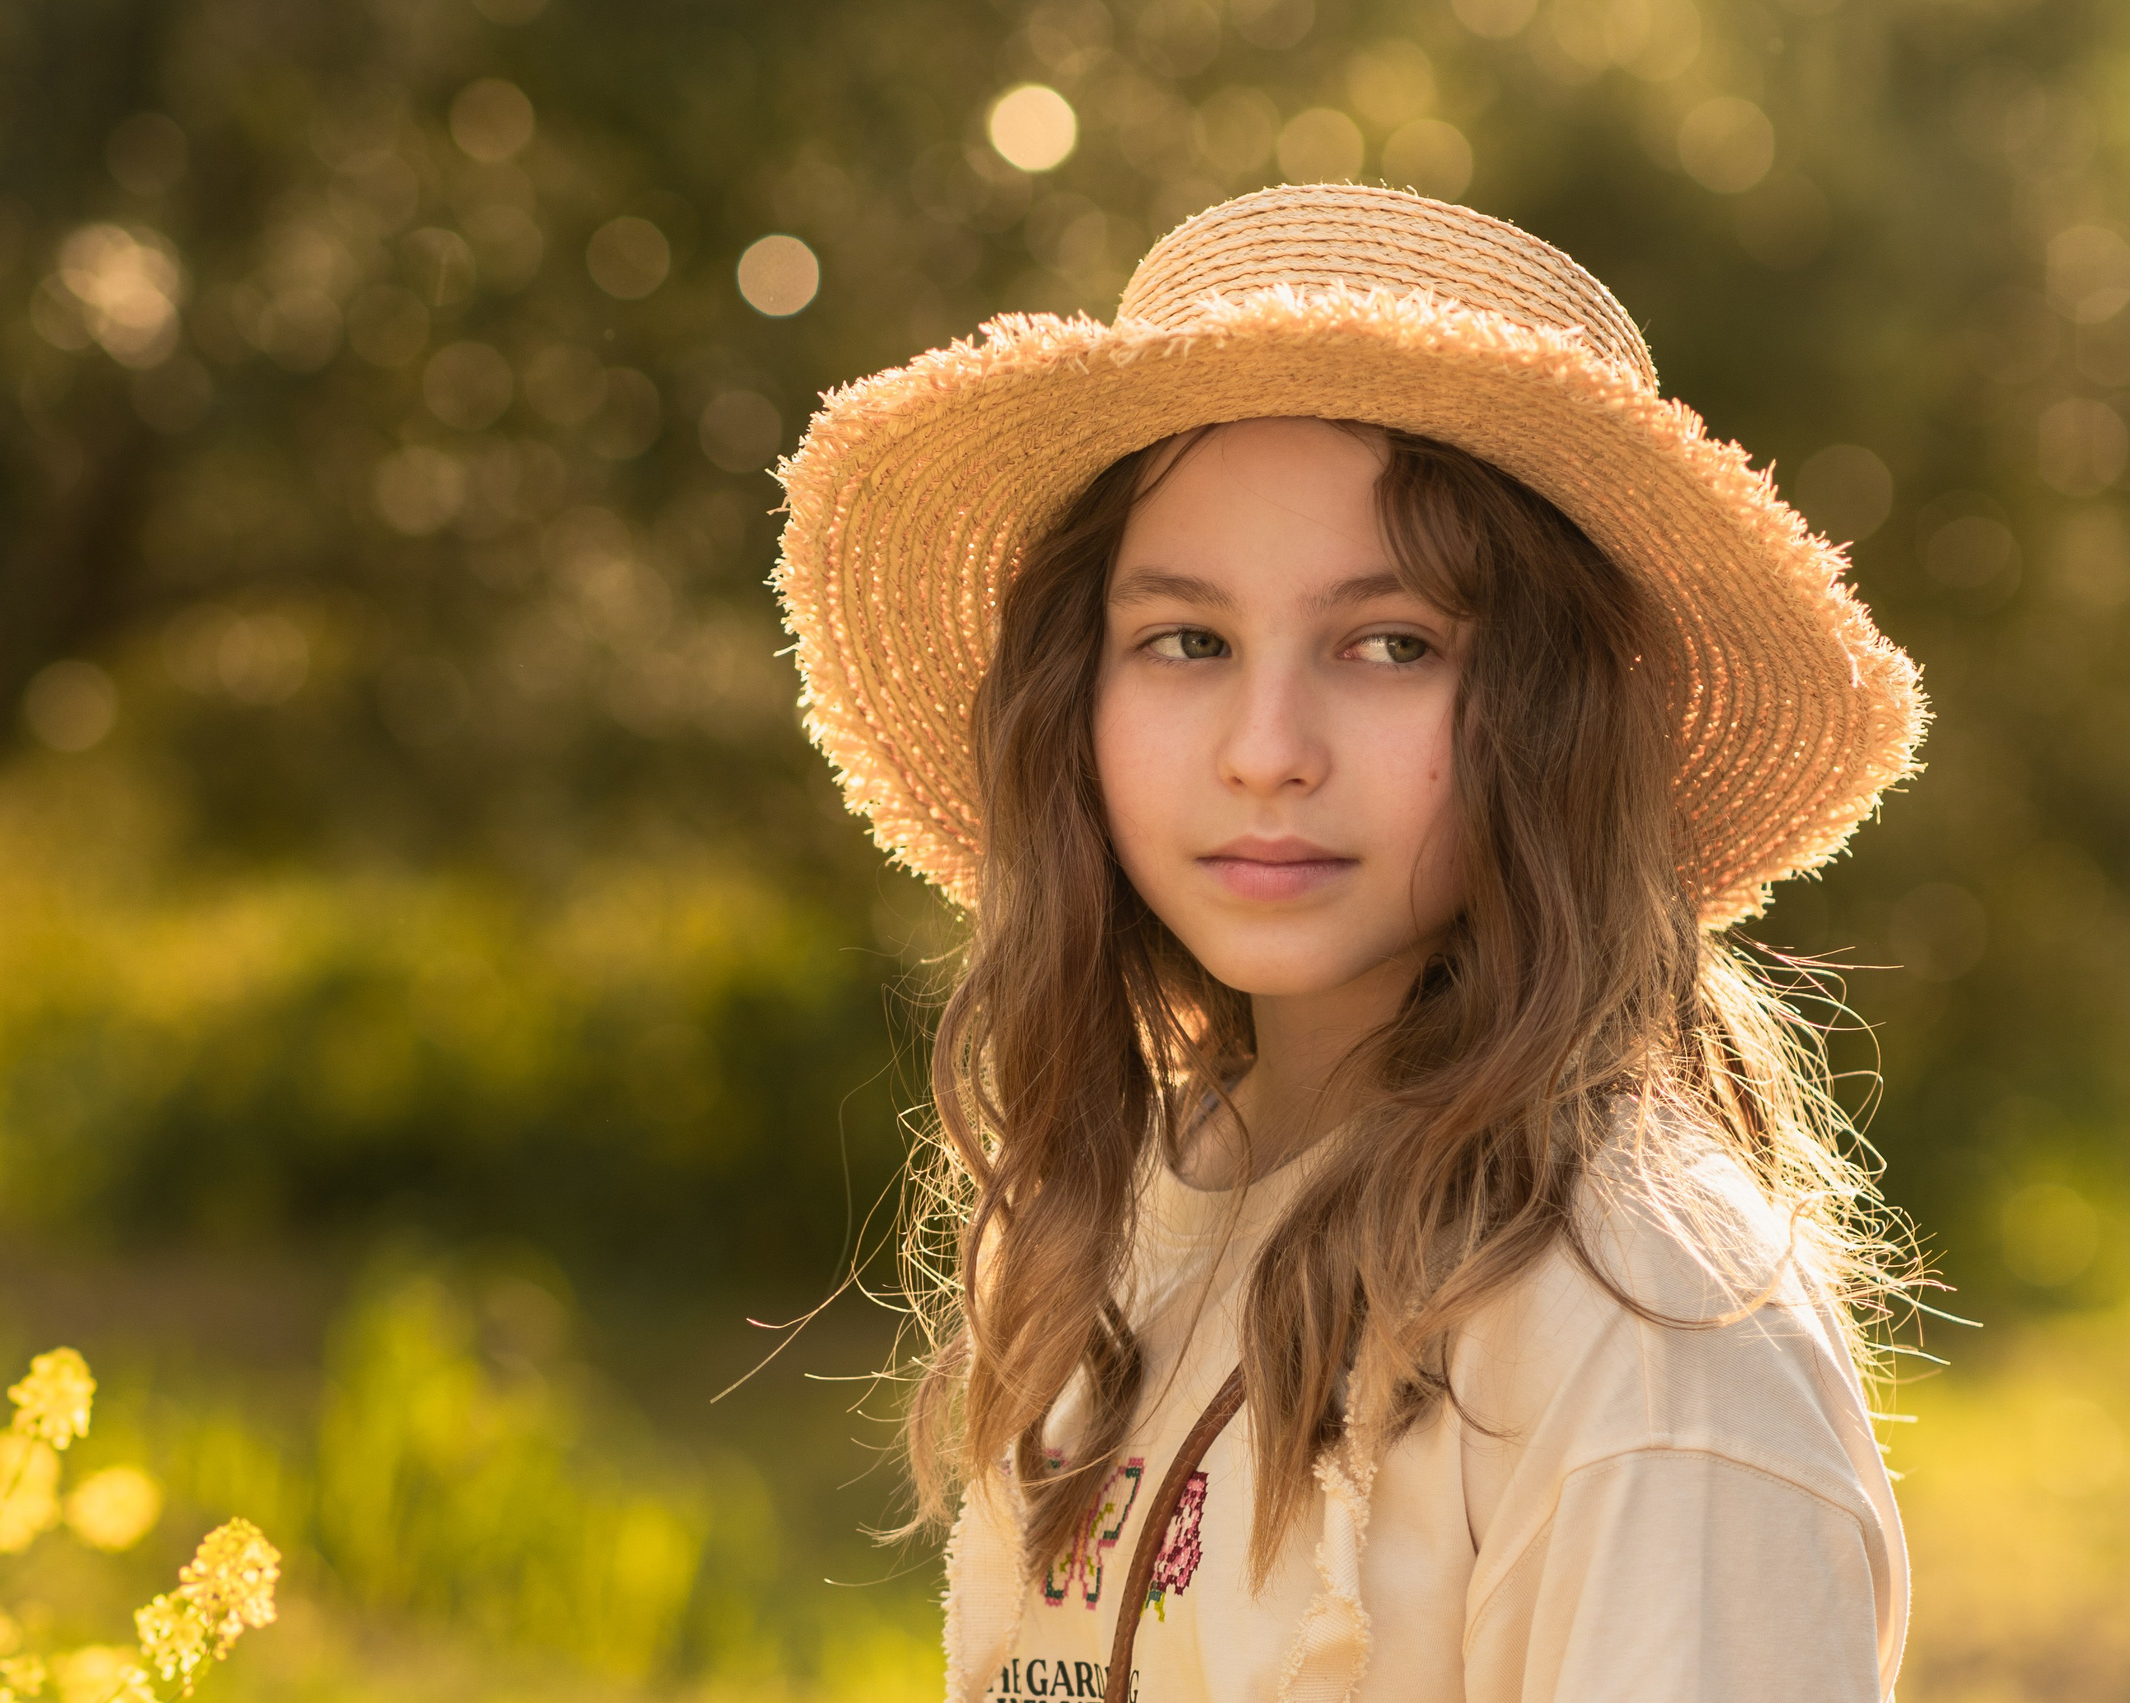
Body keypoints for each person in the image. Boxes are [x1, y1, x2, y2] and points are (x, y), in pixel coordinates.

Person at [769, 185, 1927, 1703]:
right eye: (1186, 640)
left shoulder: (1640, 1323)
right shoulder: (1122, 1213)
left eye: (1393, 645)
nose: (1267, 749)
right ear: (1078, 699)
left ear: (1557, 711)